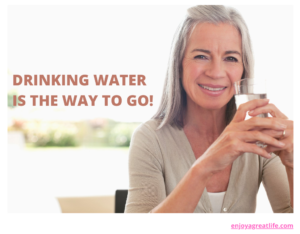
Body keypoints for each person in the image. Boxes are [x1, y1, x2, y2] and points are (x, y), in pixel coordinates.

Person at [124, 5, 293, 213]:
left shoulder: (258, 135)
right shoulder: (151, 139)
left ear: (243, 70)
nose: (216, 72)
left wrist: (294, 164)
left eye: (231, 58)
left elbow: (289, 218)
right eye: (201, 56)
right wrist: (205, 166)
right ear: (178, 65)